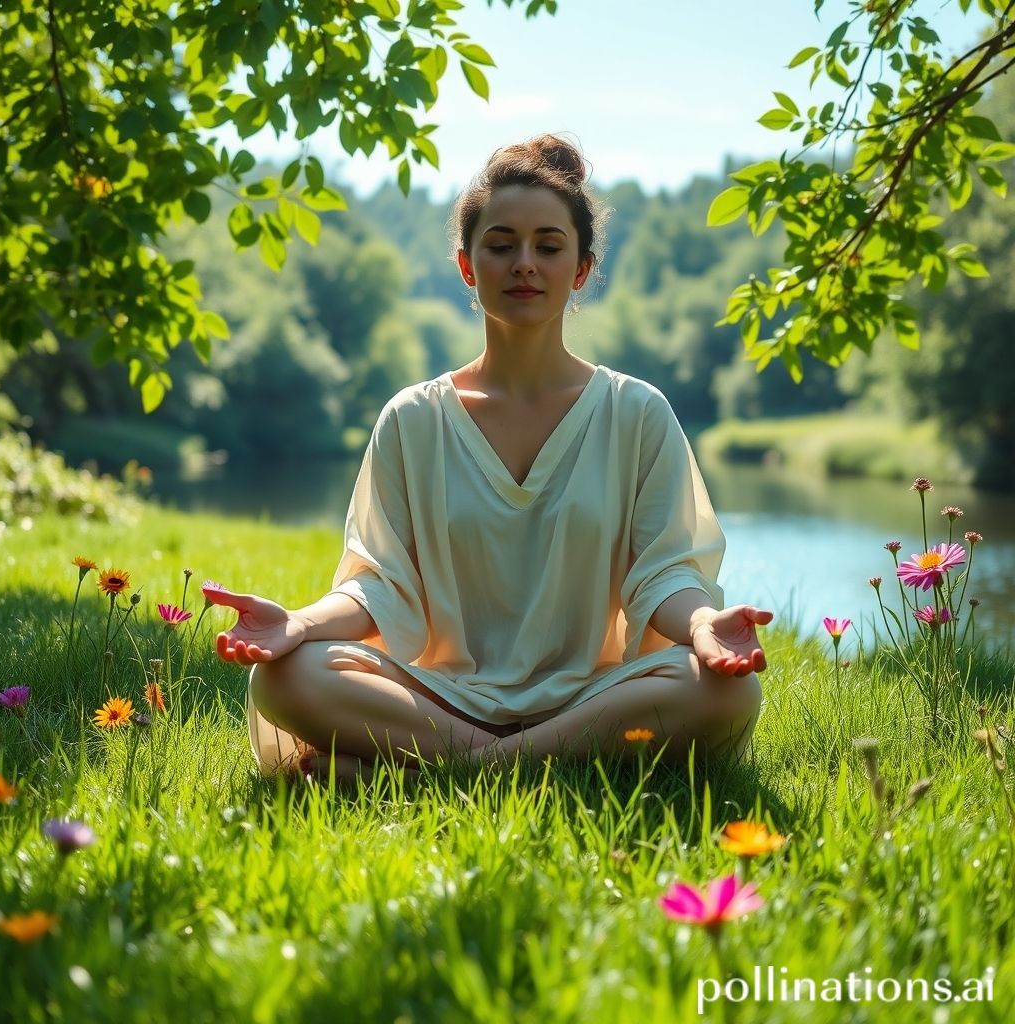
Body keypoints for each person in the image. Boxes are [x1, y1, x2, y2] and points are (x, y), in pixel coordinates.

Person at [209, 134, 773, 783]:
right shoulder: (413, 419)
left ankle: (435, 776)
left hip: (592, 698)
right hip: (444, 699)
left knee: (726, 689)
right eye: (501, 245)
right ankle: (527, 769)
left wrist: (704, 621)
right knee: (288, 675)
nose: (524, 264)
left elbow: (664, 577)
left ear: (581, 269)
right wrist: (299, 623)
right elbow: (379, 583)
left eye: (548, 246)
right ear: (467, 267)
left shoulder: (636, 413)